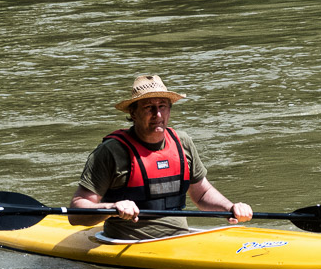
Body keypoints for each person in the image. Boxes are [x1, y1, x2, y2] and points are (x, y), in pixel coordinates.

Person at [69, 74, 252, 240]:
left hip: (178, 240)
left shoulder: (183, 142)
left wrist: (230, 208)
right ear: (133, 113)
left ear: (169, 110)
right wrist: (112, 208)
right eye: (149, 107)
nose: (157, 114)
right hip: (127, 243)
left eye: (162, 106)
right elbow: (76, 212)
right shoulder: (111, 152)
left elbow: (202, 194)